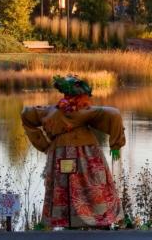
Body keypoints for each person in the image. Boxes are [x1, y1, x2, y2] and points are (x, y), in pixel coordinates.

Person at [21, 75, 125, 229]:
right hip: (86, 154)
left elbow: (26, 114)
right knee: (90, 184)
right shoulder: (85, 111)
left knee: (65, 186)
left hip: (60, 153)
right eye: (82, 96)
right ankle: (95, 219)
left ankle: (66, 222)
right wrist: (116, 144)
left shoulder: (52, 111)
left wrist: (44, 145)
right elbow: (113, 114)